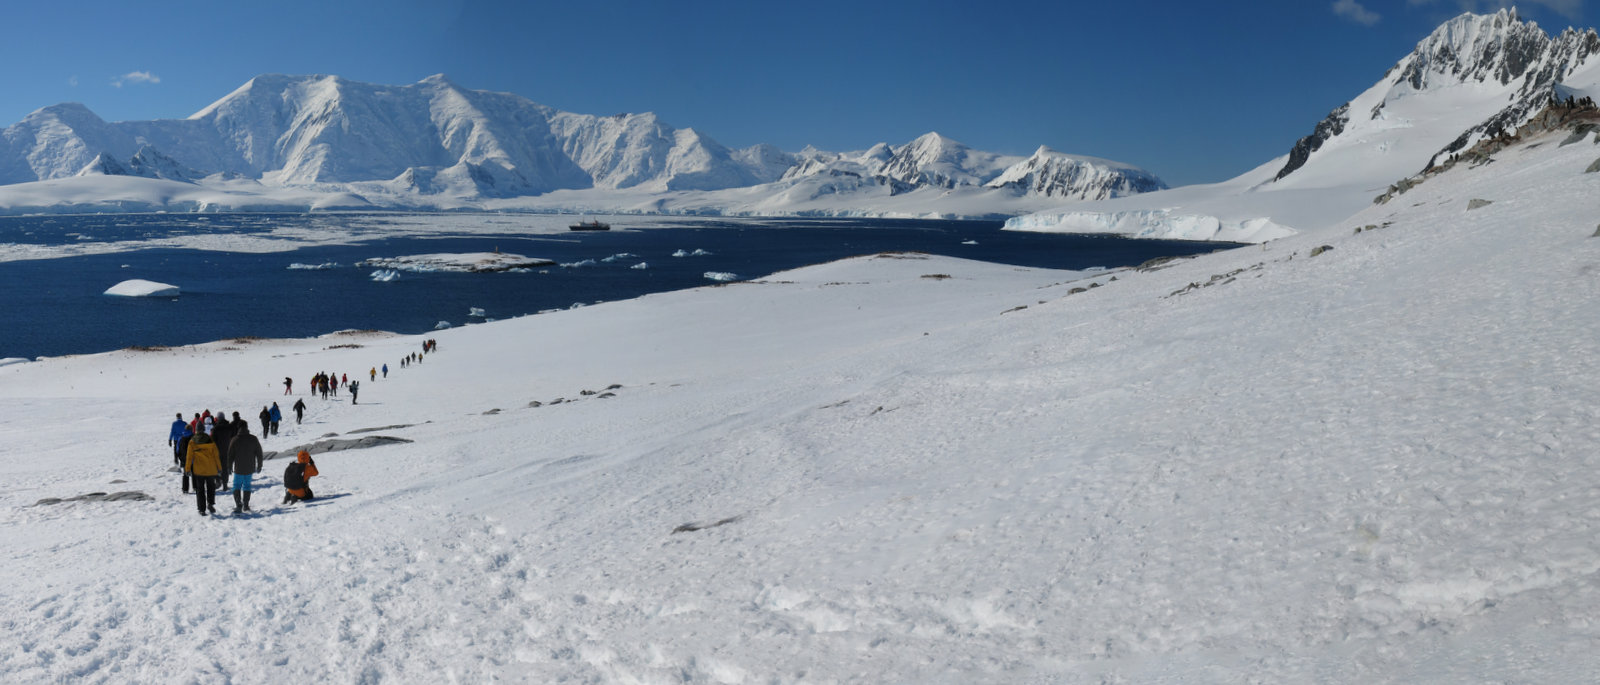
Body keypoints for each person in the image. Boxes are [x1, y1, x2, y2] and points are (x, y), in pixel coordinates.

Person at [227, 423, 264, 513]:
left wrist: (229, 466)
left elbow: (230, 455)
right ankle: (246, 505)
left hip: (238, 468)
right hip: (250, 468)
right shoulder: (253, 439)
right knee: (247, 486)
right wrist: (259, 465)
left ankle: (238, 503)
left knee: (236, 485)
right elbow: (259, 453)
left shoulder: (235, 439)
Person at [186, 431, 222, 516]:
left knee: (200, 490)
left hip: (199, 470)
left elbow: (189, 457)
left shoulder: (192, 441)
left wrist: (187, 469)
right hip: (211, 469)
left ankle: (202, 509)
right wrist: (219, 468)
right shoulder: (211, 440)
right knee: (211, 487)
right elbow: (216, 455)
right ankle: (210, 504)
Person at [212, 412, 237, 493]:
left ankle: (218, 480)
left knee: (217, 467)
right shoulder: (229, 427)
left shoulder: (216, 428)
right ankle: (225, 485)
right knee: (225, 467)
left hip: (218, 451)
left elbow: (213, 441)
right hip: (228, 450)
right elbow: (233, 437)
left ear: (218, 418)